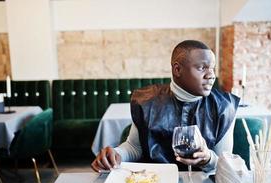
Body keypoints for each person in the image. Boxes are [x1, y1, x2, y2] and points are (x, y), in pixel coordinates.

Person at [91, 40, 240, 172]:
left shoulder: (224, 107)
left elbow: (225, 165)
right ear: (177, 70)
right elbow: (134, 148)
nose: (211, 75)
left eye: (212, 68)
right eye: (202, 68)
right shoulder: (147, 101)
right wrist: (115, 154)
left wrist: (208, 159)